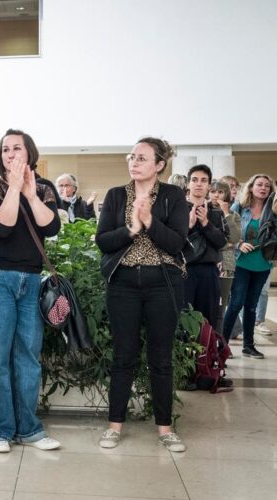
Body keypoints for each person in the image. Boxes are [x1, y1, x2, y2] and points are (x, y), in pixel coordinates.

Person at [96, 137, 189, 452]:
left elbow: (176, 243)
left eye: (142, 158)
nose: (133, 162)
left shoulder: (174, 196)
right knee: (123, 356)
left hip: (163, 283)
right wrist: (132, 229)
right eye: (131, 156)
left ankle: (165, 429)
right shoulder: (115, 196)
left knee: (160, 358)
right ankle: (114, 427)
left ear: (160, 165)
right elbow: (104, 241)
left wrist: (149, 221)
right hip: (123, 283)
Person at [0, 129, 61, 454]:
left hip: (30, 280)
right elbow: (2, 226)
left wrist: (31, 192)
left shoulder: (45, 189)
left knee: (27, 356)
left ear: (30, 153)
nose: (10, 154)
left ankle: (29, 429)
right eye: (5, 150)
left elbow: (51, 227)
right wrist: (13, 188)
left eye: (17, 148)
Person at [220, 174, 277, 359]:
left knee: (251, 307)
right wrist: (239, 244)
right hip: (240, 263)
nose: (263, 188)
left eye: (267, 186)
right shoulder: (239, 207)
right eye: (259, 184)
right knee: (236, 304)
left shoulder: (273, 211)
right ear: (251, 187)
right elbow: (226, 232)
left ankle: (248, 346)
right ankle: (222, 346)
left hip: (262, 264)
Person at [183, 165, 227, 327]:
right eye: (194, 180)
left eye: (204, 180)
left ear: (209, 185)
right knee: (184, 319)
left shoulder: (216, 213)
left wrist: (206, 223)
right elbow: (170, 242)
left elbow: (222, 242)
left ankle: (207, 352)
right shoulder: (177, 211)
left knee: (208, 320)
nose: (199, 184)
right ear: (188, 184)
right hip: (183, 271)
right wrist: (187, 226)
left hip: (209, 272)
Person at [209, 180, 241, 332]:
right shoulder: (203, 210)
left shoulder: (233, 214)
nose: (216, 195)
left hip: (227, 261)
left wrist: (226, 213)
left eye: (220, 192)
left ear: (226, 194)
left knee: (222, 304)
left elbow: (234, 238)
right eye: (213, 191)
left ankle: (219, 341)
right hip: (207, 259)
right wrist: (225, 243)